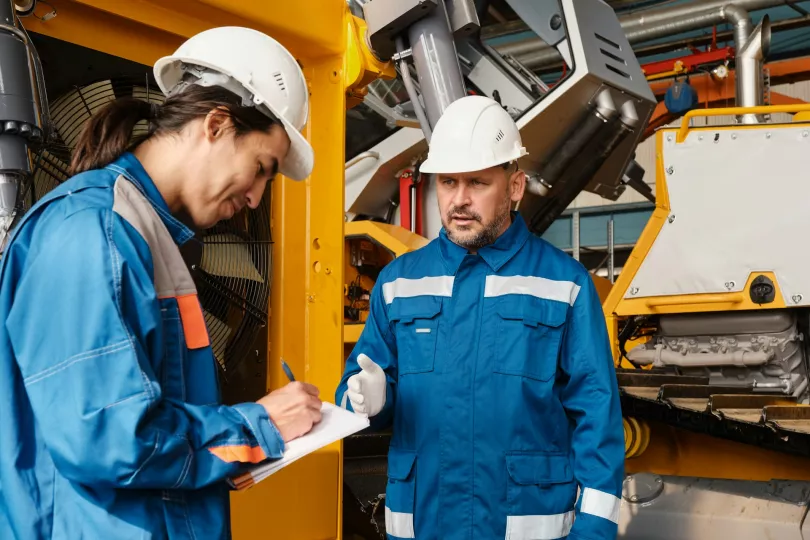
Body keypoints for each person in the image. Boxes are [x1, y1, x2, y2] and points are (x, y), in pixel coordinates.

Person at [0, 27, 323, 540]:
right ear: (216, 125)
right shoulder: (92, 234)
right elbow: (109, 440)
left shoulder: (147, 238)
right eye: (261, 168)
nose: (258, 199)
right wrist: (258, 426)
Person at [336, 95, 624, 540]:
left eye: (478, 182)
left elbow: (596, 415)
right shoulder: (398, 283)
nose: (459, 200)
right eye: (448, 182)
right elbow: (359, 390)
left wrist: (593, 528)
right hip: (423, 524)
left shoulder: (565, 284)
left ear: (514, 186)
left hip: (525, 525)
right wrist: (363, 403)